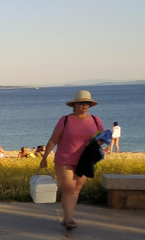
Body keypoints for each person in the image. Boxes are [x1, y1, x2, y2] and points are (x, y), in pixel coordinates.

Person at [40, 90, 104, 231]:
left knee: (76, 189)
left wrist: (98, 145)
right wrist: (45, 157)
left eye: (87, 103)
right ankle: (69, 219)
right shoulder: (65, 120)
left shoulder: (95, 120)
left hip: (85, 161)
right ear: (74, 104)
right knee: (69, 187)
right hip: (64, 159)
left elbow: (101, 138)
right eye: (82, 103)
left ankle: (67, 216)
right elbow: (53, 140)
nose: (85, 105)